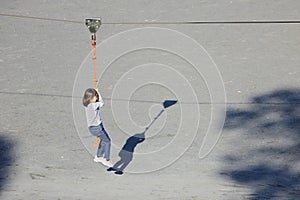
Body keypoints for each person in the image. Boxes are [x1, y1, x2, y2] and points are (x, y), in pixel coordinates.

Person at [82, 88, 112, 167]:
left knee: (103, 140)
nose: (97, 98)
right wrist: (98, 92)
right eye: (95, 97)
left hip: (92, 128)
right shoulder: (93, 105)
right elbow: (101, 103)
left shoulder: (87, 105)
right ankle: (106, 159)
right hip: (97, 128)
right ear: (90, 99)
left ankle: (98, 156)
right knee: (107, 141)